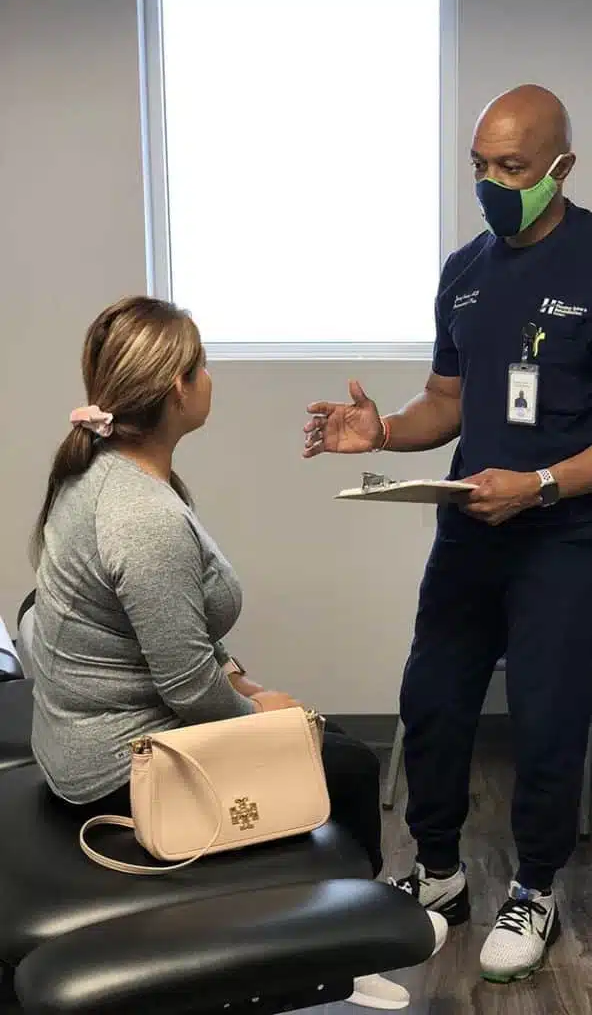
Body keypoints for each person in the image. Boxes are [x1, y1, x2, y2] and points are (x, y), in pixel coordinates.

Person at [303, 85, 592, 984]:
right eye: (480, 166)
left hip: (575, 532)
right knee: (432, 695)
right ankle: (437, 876)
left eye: (512, 168)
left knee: (550, 713)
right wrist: (384, 433)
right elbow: (448, 400)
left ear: (561, 168)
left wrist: (544, 483)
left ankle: (536, 887)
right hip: (473, 519)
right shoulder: (465, 271)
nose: (493, 184)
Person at [30, 295, 445, 1010]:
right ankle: (346, 945)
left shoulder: (107, 471)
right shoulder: (143, 517)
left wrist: (243, 684)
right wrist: (257, 718)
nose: (211, 378)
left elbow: (175, 635)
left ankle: (336, 920)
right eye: (203, 366)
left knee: (318, 734)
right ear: (175, 391)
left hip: (86, 737)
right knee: (346, 763)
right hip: (113, 770)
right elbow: (187, 687)